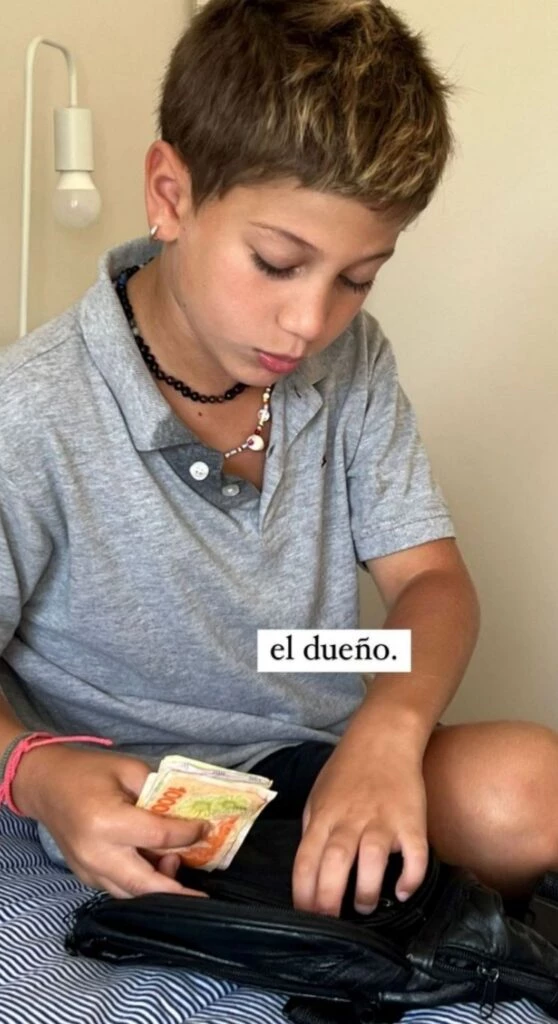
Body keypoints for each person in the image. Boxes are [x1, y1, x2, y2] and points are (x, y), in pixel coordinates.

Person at [1, 1, 557, 1022]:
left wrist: (388, 729)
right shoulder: (30, 412)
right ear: (170, 194)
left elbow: (431, 582)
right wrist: (36, 775)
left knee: (535, 782)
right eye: (277, 263)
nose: (310, 323)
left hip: (319, 749)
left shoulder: (352, 365)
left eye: (358, 278)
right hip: (140, 793)